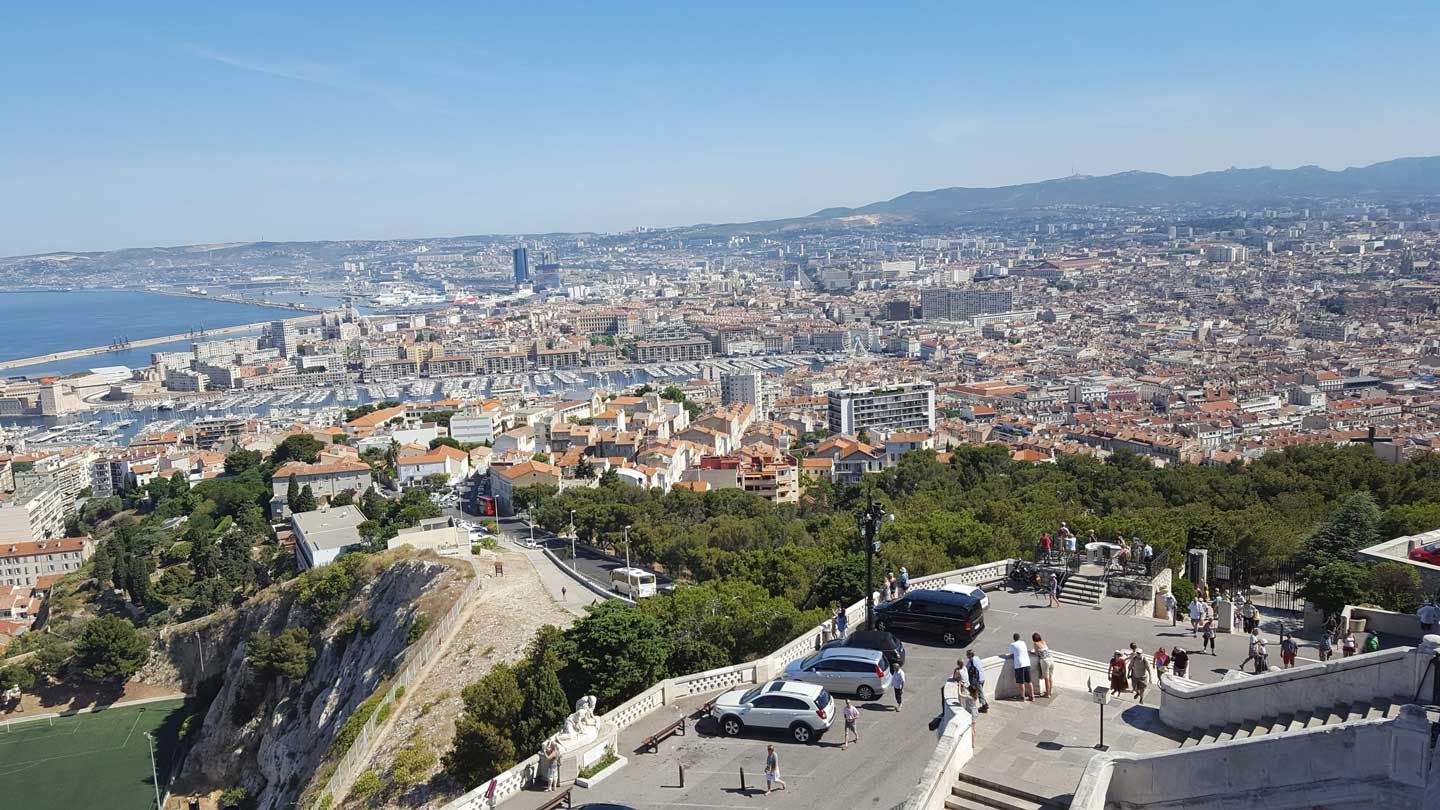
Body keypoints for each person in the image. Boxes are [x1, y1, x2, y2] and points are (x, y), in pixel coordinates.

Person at [1008, 633, 1035, 701]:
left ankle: (1022, 697)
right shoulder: (1023, 642)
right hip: (1027, 663)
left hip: (1019, 665)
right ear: (1019, 637)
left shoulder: (1012, 644)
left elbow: (1011, 653)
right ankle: (1032, 696)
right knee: (1029, 681)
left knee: (1021, 682)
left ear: (1014, 639)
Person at [1031, 633, 1054, 698]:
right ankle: (1050, 691)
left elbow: (1036, 653)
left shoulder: (1035, 643)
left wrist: (1031, 652)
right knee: (1050, 677)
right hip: (1051, 659)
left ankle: (1048, 694)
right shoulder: (1043, 641)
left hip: (1045, 661)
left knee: (1046, 678)